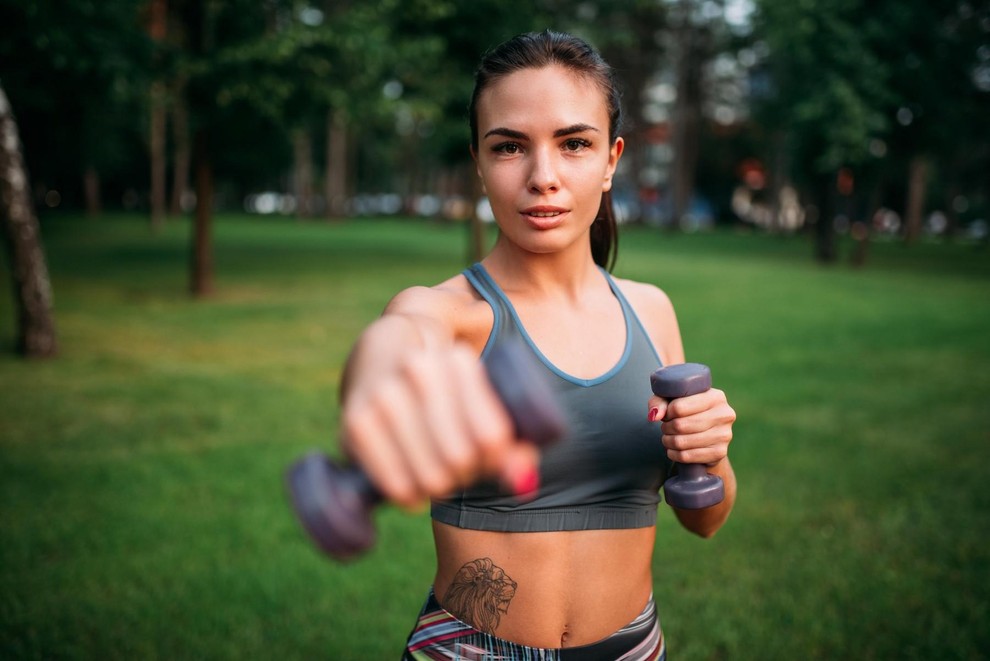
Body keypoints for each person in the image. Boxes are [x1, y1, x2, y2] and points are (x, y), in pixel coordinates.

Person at [340, 29, 737, 660]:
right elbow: (398, 342)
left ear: (612, 160)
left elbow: (706, 519)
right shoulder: (448, 315)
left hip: (634, 647)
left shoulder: (651, 310)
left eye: (574, 143)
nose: (543, 176)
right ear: (477, 160)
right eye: (509, 147)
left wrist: (709, 454)